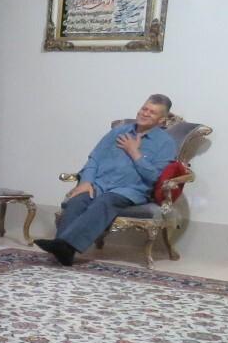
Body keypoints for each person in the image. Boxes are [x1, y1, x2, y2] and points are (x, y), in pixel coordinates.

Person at [34, 94, 179, 267]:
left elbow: (155, 177)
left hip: (131, 190)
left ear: (161, 120)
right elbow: (94, 158)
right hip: (100, 184)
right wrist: (86, 182)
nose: (145, 113)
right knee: (78, 199)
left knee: (105, 201)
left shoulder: (166, 143)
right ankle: (64, 250)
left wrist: (134, 152)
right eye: (144, 108)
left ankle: (64, 246)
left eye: (152, 112)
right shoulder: (118, 132)